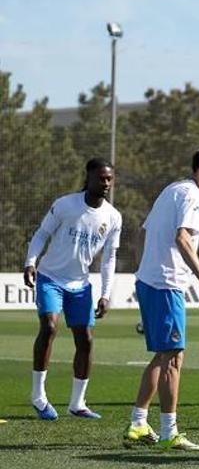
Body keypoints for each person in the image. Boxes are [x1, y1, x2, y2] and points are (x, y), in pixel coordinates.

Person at [123, 148, 199, 452]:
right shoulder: (194, 196)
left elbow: (142, 234)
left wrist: (144, 271)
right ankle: (169, 432)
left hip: (150, 281)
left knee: (163, 355)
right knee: (173, 357)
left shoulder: (172, 189)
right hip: (166, 283)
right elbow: (182, 237)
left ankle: (138, 423)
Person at [24, 158, 122, 421]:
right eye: (101, 178)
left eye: (110, 179)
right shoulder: (65, 205)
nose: (106, 183)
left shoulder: (113, 217)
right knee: (49, 327)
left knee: (86, 340)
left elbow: (110, 258)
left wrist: (105, 294)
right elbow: (42, 234)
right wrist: (30, 262)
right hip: (50, 277)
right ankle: (38, 397)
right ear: (88, 177)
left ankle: (77, 403)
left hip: (80, 285)